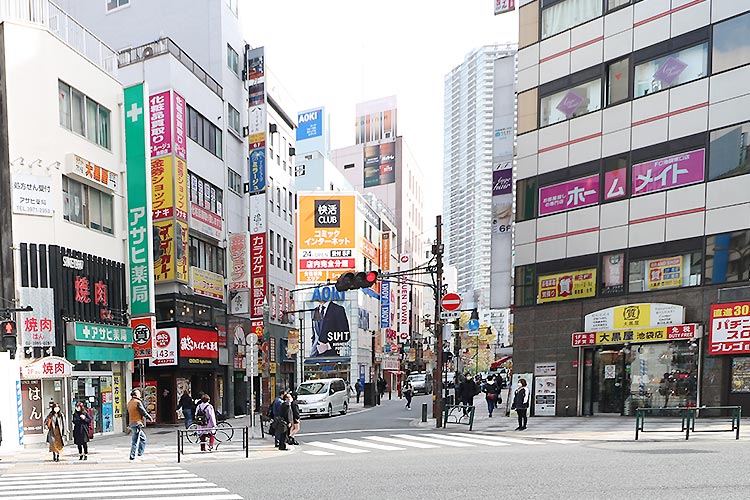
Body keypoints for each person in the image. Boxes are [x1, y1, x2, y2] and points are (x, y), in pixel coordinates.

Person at [127, 389, 153, 461]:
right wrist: (149, 417)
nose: (140, 395)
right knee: (135, 440)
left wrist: (127, 424)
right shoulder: (137, 402)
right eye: (138, 394)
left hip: (132, 423)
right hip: (137, 423)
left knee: (142, 438)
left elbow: (127, 414)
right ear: (135, 395)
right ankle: (133, 455)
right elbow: (143, 412)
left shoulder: (129, 403)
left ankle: (139, 452)